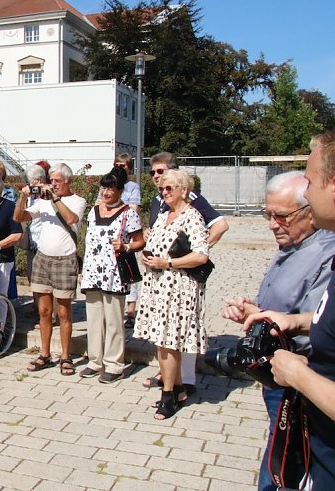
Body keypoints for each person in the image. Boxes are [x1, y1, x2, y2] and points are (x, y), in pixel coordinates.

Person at [220, 170, 335, 491]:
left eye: (281, 216)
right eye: (267, 214)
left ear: (309, 212)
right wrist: (253, 309)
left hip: (305, 384)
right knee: (280, 453)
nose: (272, 224)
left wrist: (264, 318)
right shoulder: (293, 244)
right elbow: (286, 306)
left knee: (288, 463)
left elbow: (319, 326)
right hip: (279, 377)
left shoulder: (326, 254)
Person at [143, 151, 229, 393]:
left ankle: (186, 381)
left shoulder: (191, 199)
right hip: (160, 281)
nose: (157, 177)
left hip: (181, 278)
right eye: (153, 173)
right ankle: (171, 378)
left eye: (161, 172)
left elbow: (221, 225)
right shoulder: (160, 201)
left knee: (180, 332)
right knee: (166, 335)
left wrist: (192, 251)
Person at [134, 169, 209, 420]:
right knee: (162, 340)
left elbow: (201, 255)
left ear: (183, 190)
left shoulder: (192, 217)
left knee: (169, 341)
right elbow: (154, 245)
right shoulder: (164, 215)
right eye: (162, 188)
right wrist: (148, 257)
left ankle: (167, 396)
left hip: (178, 287)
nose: (164, 192)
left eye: (169, 188)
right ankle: (176, 388)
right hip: (157, 286)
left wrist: (167, 264)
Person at [13, 163, 86, 376]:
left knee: (64, 312)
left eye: (57, 181)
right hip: (42, 260)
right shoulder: (42, 203)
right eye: (51, 180)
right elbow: (19, 218)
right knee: (44, 312)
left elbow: (72, 219)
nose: (52, 184)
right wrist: (23, 197)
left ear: (68, 181)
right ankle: (44, 354)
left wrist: (54, 198)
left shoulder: (77, 200)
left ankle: (65, 356)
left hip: (65, 260)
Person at [79, 167, 145, 383]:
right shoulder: (93, 211)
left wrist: (125, 246)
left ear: (120, 190)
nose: (106, 193)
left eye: (111, 188)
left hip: (115, 274)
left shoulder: (129, 213)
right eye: (104, 188)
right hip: (92, 273)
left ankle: (115, 365)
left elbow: (140, 241)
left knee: (114, 321)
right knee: (94, 319)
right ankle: (95, 361)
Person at [114, 153, 142, 328]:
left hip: (127, 234)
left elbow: (134, 207)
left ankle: (130, 311)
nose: (119, 167)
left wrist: (115, 206)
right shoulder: (109, 182)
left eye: (123, 165)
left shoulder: (132, 186)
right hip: (112, 235)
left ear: (129, 168)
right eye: (117, 164)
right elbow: (99, 204)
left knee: (128, 271)